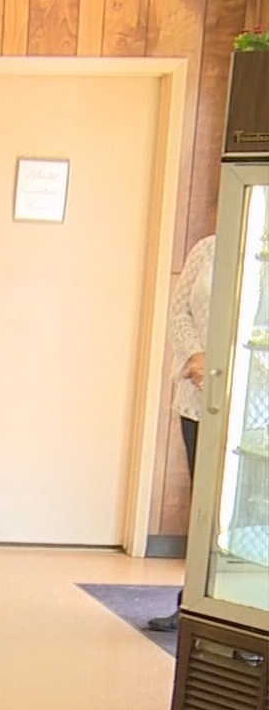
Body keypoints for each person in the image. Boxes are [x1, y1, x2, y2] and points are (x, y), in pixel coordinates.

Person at [150, 233, 217, 632]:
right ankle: (192, 604)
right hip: (200, 395)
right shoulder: (208, 248)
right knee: (205, 504)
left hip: (254, 406)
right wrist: (197, 356)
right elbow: (179, 313)